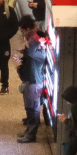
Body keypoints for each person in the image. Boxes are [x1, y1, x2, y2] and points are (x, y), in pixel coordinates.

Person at [15, 15, 47, 143]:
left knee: (34, 109)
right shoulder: (33, 43)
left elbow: (39, 56)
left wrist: (30, 45)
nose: (23, 34)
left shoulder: (38, 43)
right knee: (29, 108)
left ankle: (31, 134)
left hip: (35, 81)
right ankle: (28, 130)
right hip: (29, 80)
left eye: (23, 30)